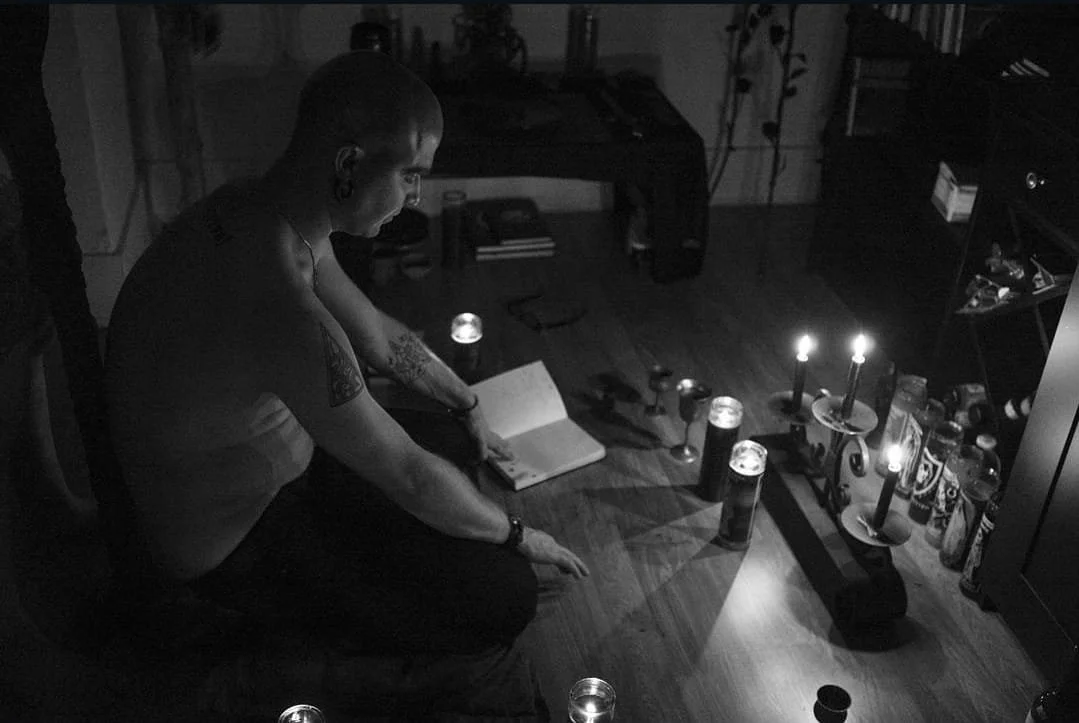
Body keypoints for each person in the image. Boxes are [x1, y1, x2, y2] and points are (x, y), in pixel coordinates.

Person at [104, 50, 589, 657]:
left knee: (456, 443)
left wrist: (467, 403)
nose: (415, 196)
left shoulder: (260, 209)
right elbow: (409, 475)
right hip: (236, 541)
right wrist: (520, 536)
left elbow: (380, 338)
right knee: (504, 595)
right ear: (350, 164)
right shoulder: (281, 300)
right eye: (411, 175)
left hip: (273, 471)